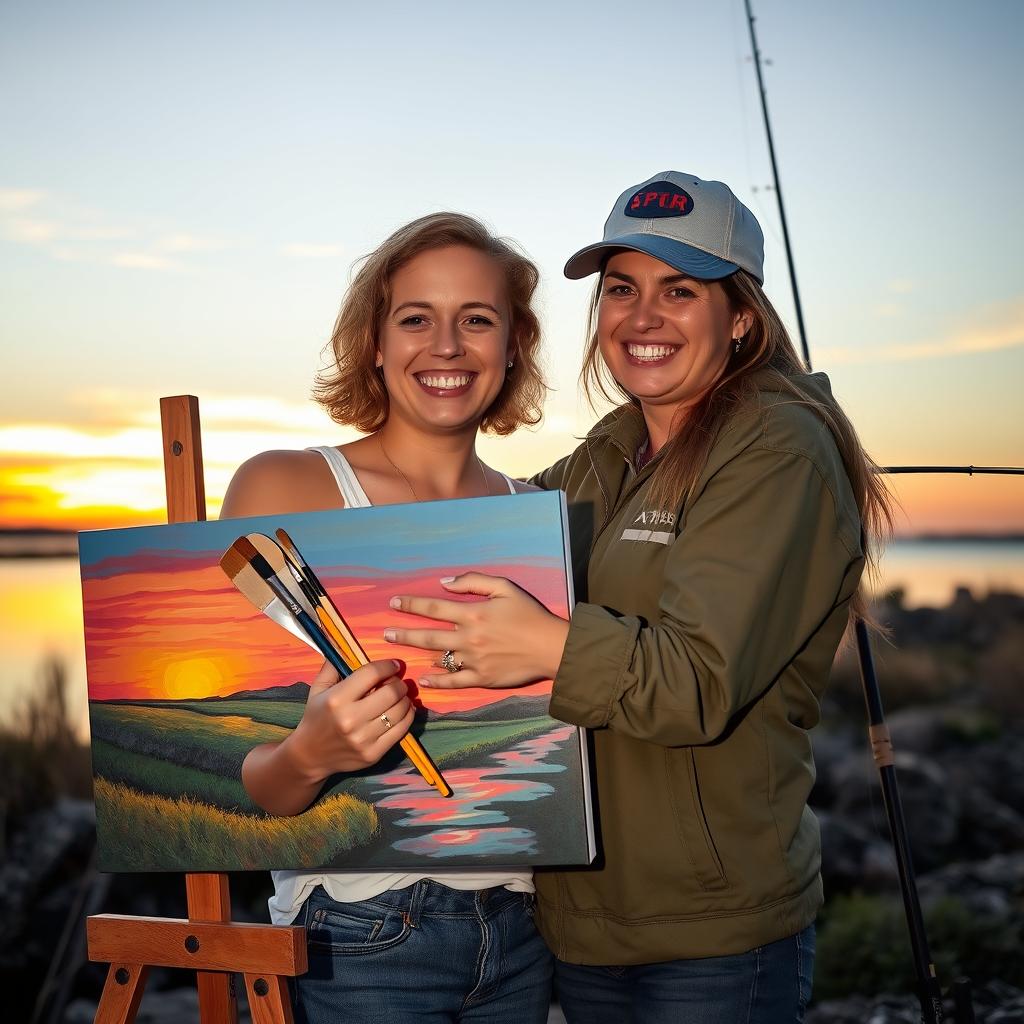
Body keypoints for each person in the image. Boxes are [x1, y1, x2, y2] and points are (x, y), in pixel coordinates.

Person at [384, 171, 893, 1023]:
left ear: (740, 318)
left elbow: (697, 682)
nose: (642, 316)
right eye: (622, 289)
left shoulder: (778, 445)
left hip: (713, 933)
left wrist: (545, 644)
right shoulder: (608, 452)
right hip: (583, 921)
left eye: (678, 291)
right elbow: (469, 538)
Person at [219, 212, 553, 1024]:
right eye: (416, 318)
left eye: (476, 318)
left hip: (526, 930)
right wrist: (309, 752)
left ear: (514, 345)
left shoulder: (539, 515)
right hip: (357, 932)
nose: (446, 345)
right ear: (374, 341)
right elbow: (233, 787)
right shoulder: (284, 490)